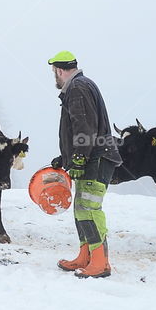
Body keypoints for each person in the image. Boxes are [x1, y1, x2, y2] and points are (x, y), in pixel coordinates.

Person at [48, 51, 122, 278]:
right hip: (92, 154)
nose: (54, 78)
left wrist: (79, 157)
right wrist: (68, 158)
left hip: (96, 157)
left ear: (60, 70)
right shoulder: (80, 86)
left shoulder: (78, 88)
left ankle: (100, 262)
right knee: (81, 208)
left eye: (54, 73)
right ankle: (86, 255)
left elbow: (85, 127)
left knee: (89, 208)